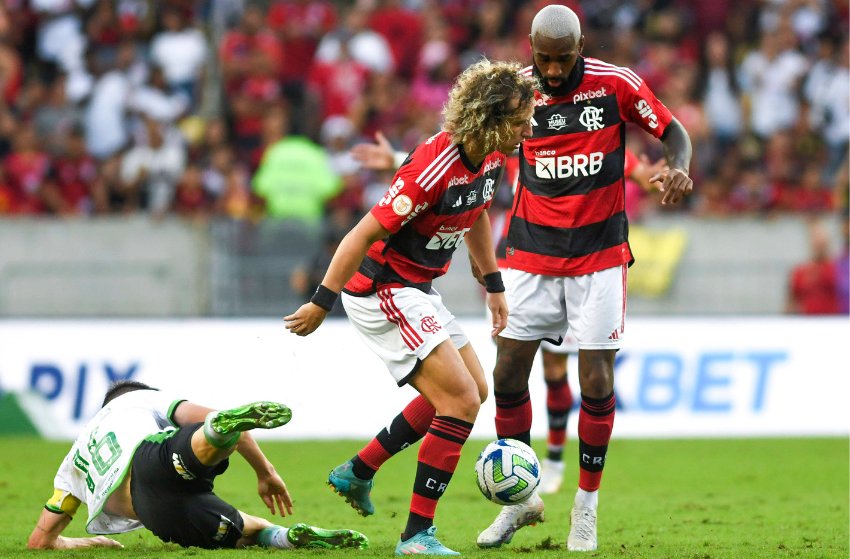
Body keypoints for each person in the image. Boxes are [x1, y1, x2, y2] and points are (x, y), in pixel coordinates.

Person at [284, 58, 536, 555]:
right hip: (380, 289)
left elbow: (478, 212)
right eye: (520, 119)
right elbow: (362, 232)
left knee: (474, 389)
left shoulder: (490, 156)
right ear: (490, 117)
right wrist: (321, 301)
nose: (527, 128)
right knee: (460, 401)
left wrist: (493, 283)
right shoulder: (431, 167)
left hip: (416, 287)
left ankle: (358, 471)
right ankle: (416, 536)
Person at [478, 5, 693, 553]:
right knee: (507, 374)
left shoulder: (615, 85)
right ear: (531, 48)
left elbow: (675, 133)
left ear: (580, 48)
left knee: (595, 380)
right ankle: (519, 500)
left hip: (599, 256)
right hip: (530, 253)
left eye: (562, 59)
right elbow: (469, 147)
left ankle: (585, 507)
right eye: (543, 59)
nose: (552, 71)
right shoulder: (514, 91)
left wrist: (680, 166)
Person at [350, 137, 668, 499]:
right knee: (499, 375)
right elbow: (456, 164)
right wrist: (394, 157)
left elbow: (632, 169)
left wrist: (652, 174)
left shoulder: (585, 141)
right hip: (520, 266)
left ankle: (555, 461)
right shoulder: (520, 152)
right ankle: (523, 481)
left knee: (552, 371)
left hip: (577, 267)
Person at [28, 380, 368, 551]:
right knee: (207, 434)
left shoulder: (73, 459)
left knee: (244, 532)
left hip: (155, 513)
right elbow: (233, 428)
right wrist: (266, 473)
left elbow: (40, 541)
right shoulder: (138, 398)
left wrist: (91, 542)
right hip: (151, 462)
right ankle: (217, 433)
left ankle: (286, 538)